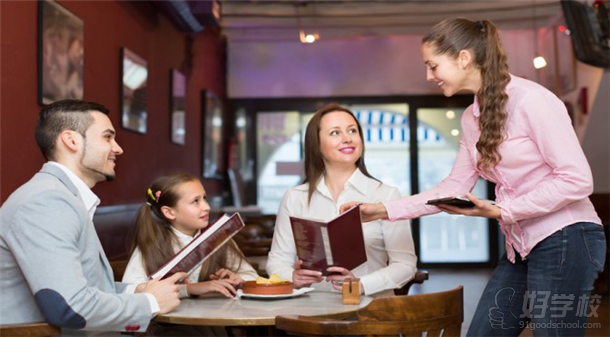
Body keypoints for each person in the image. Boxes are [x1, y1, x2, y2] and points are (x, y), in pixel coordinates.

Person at [341, 18, 606, 336]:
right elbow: (453, 187)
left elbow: (577, 179)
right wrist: (381, 210)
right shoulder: (471, 117)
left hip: (567, 236)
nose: (429, 76)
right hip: (520, 245)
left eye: (433, 65)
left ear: (463, 58)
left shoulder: (532, 100)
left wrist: (503, 211)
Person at [0, 99, 186, 334]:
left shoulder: (61, 196)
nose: (118, 148)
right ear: (71, 140)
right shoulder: (46, 201)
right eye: (107, 137)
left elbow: (83, 288)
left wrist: (137, 292)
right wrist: (150, 302)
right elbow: (69, 307)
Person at [266, 103, 417, 297]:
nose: (347, 139)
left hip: (372, 314)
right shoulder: (295, 197)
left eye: (352, 131)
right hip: (310, 314)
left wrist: (361, 284)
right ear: (316, 145)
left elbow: (405, 265)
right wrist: (292, 277)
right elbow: (277, 261)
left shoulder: (386, 195)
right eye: (335, 133)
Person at [123, 172, 258, 336]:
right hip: (165, 329)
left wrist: (239, 280)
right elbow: (133, 291)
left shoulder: (219, 238)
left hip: (210, 324)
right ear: (170, 212)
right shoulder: (152, 246)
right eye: (195, 201)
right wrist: (190, 289)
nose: (206, 206)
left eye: (205, 198)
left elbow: (252, 276)